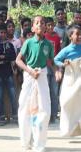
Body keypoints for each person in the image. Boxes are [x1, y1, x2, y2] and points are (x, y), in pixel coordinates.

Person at [16, 16, 53, 152]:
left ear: (46, 27)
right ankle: (26, 143)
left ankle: (39, 144)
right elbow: (18, 60)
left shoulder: (48, 45)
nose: (40, 25)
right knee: (25, 108)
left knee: (43, 109)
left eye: (42, 23)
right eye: (37, 23)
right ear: (32, 27)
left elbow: (51, 62)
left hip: (42, 76)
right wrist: (30, 71)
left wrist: (58, 71)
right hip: (29, 76)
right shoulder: (28, 43)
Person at [54, 25, 81, 137]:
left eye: (80, 34)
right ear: (70, 36)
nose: (79, 36)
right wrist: (64, 64)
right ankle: (67, 128)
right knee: (67, 101)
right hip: (70, 77)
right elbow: (56, 59)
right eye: (76, 34)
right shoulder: (66, 50)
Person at [0, 23, 17, 126]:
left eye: (4, 32)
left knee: (13, 95)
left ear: (6, 34)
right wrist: (4, 58)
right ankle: (2, 116)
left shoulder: (10, 45)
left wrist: (4, 57)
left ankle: (15, 116)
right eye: (1, 32)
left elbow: (13, 56)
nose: (3, 34)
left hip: (9, 73)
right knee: (0, 96)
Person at [44, 17, 61, 123]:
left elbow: (59, 52)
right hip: (45, 66)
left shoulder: (57, 38)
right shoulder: (43, 37)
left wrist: (59, 68)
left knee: (54, 92)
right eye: (48, 25)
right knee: (45, 92)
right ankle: (46, 114)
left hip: (54, 66)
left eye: (52, 25)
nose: (50, 27)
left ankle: (54, 115)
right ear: (45, 26)